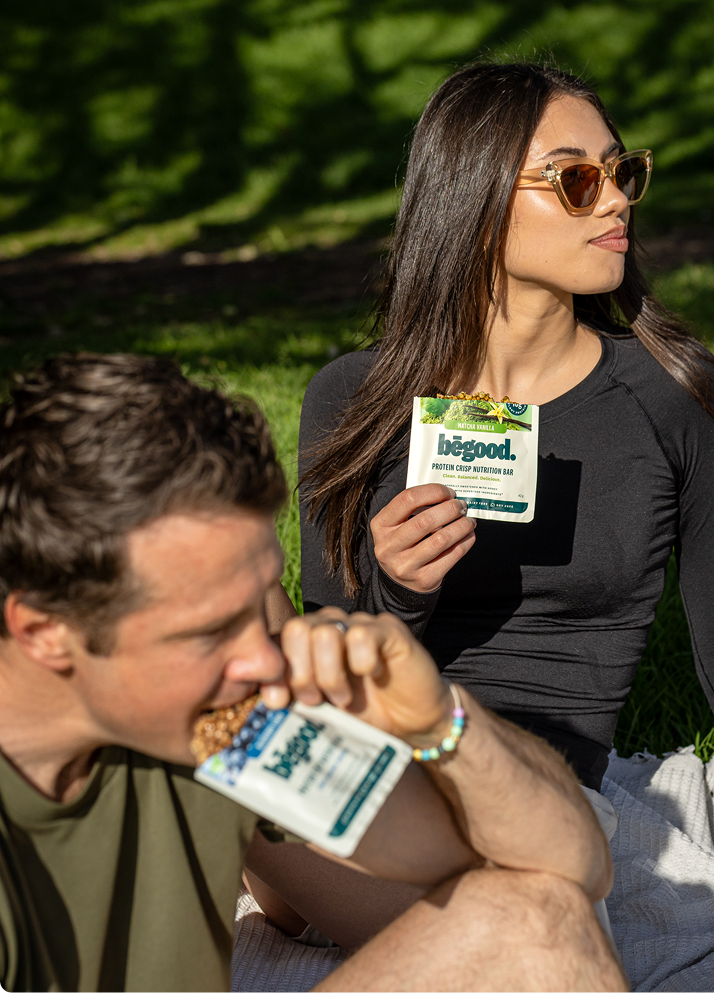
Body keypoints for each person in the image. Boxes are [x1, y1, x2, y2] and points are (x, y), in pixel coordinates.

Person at [0, 352, 626, 993]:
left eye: (263, 600)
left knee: (539, 923)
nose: (268, 657)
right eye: (211, 628)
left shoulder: (224, 720)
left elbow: (567, 870)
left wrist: (442, 719)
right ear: (46, 632)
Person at [298, 61, 714, 871]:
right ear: (476, 201)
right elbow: (327, 681)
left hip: (540, 796)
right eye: (577, 180)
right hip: (372, 774)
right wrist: (399, 592)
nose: (619, 197)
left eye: (622, 171)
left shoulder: (670, 393)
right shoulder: (351, 399)